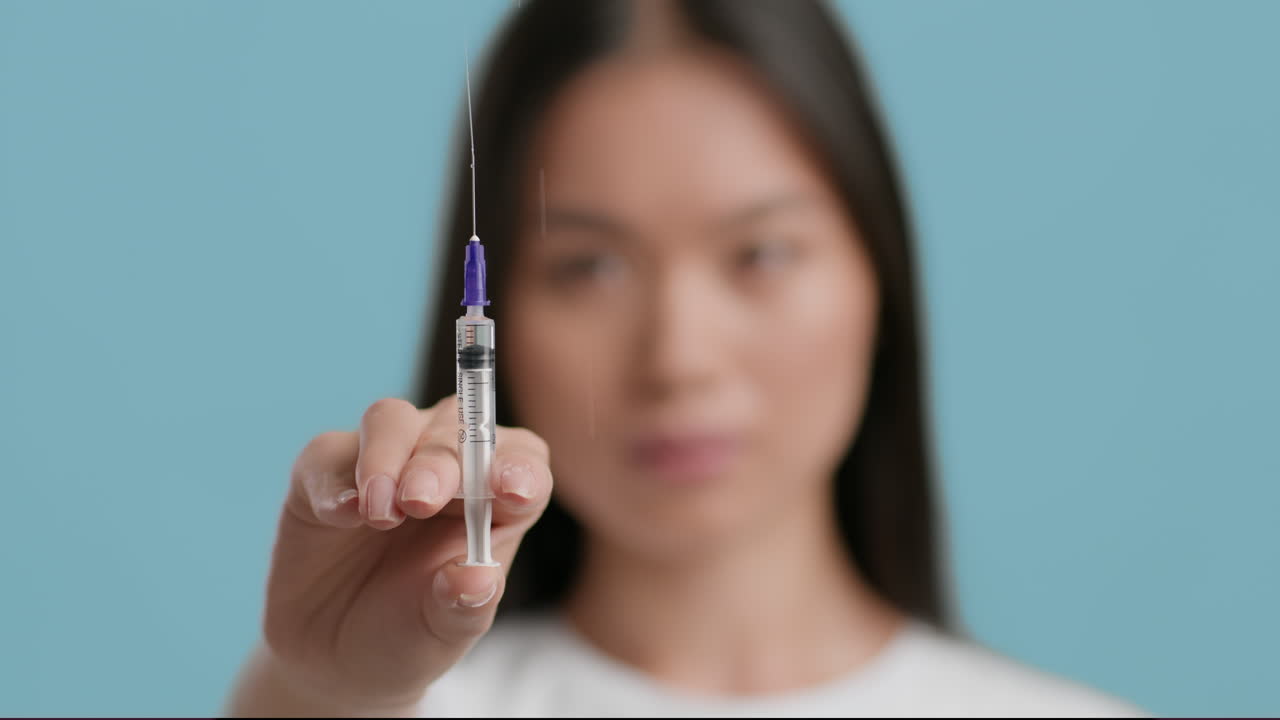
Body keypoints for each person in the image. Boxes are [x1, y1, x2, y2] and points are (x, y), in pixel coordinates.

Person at [226, 0, 1142, 716]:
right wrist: (327, 698)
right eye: (589, 266)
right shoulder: (393, 706)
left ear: (879, 277)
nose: (678, 357)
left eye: (762, 254)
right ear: (496, 305)